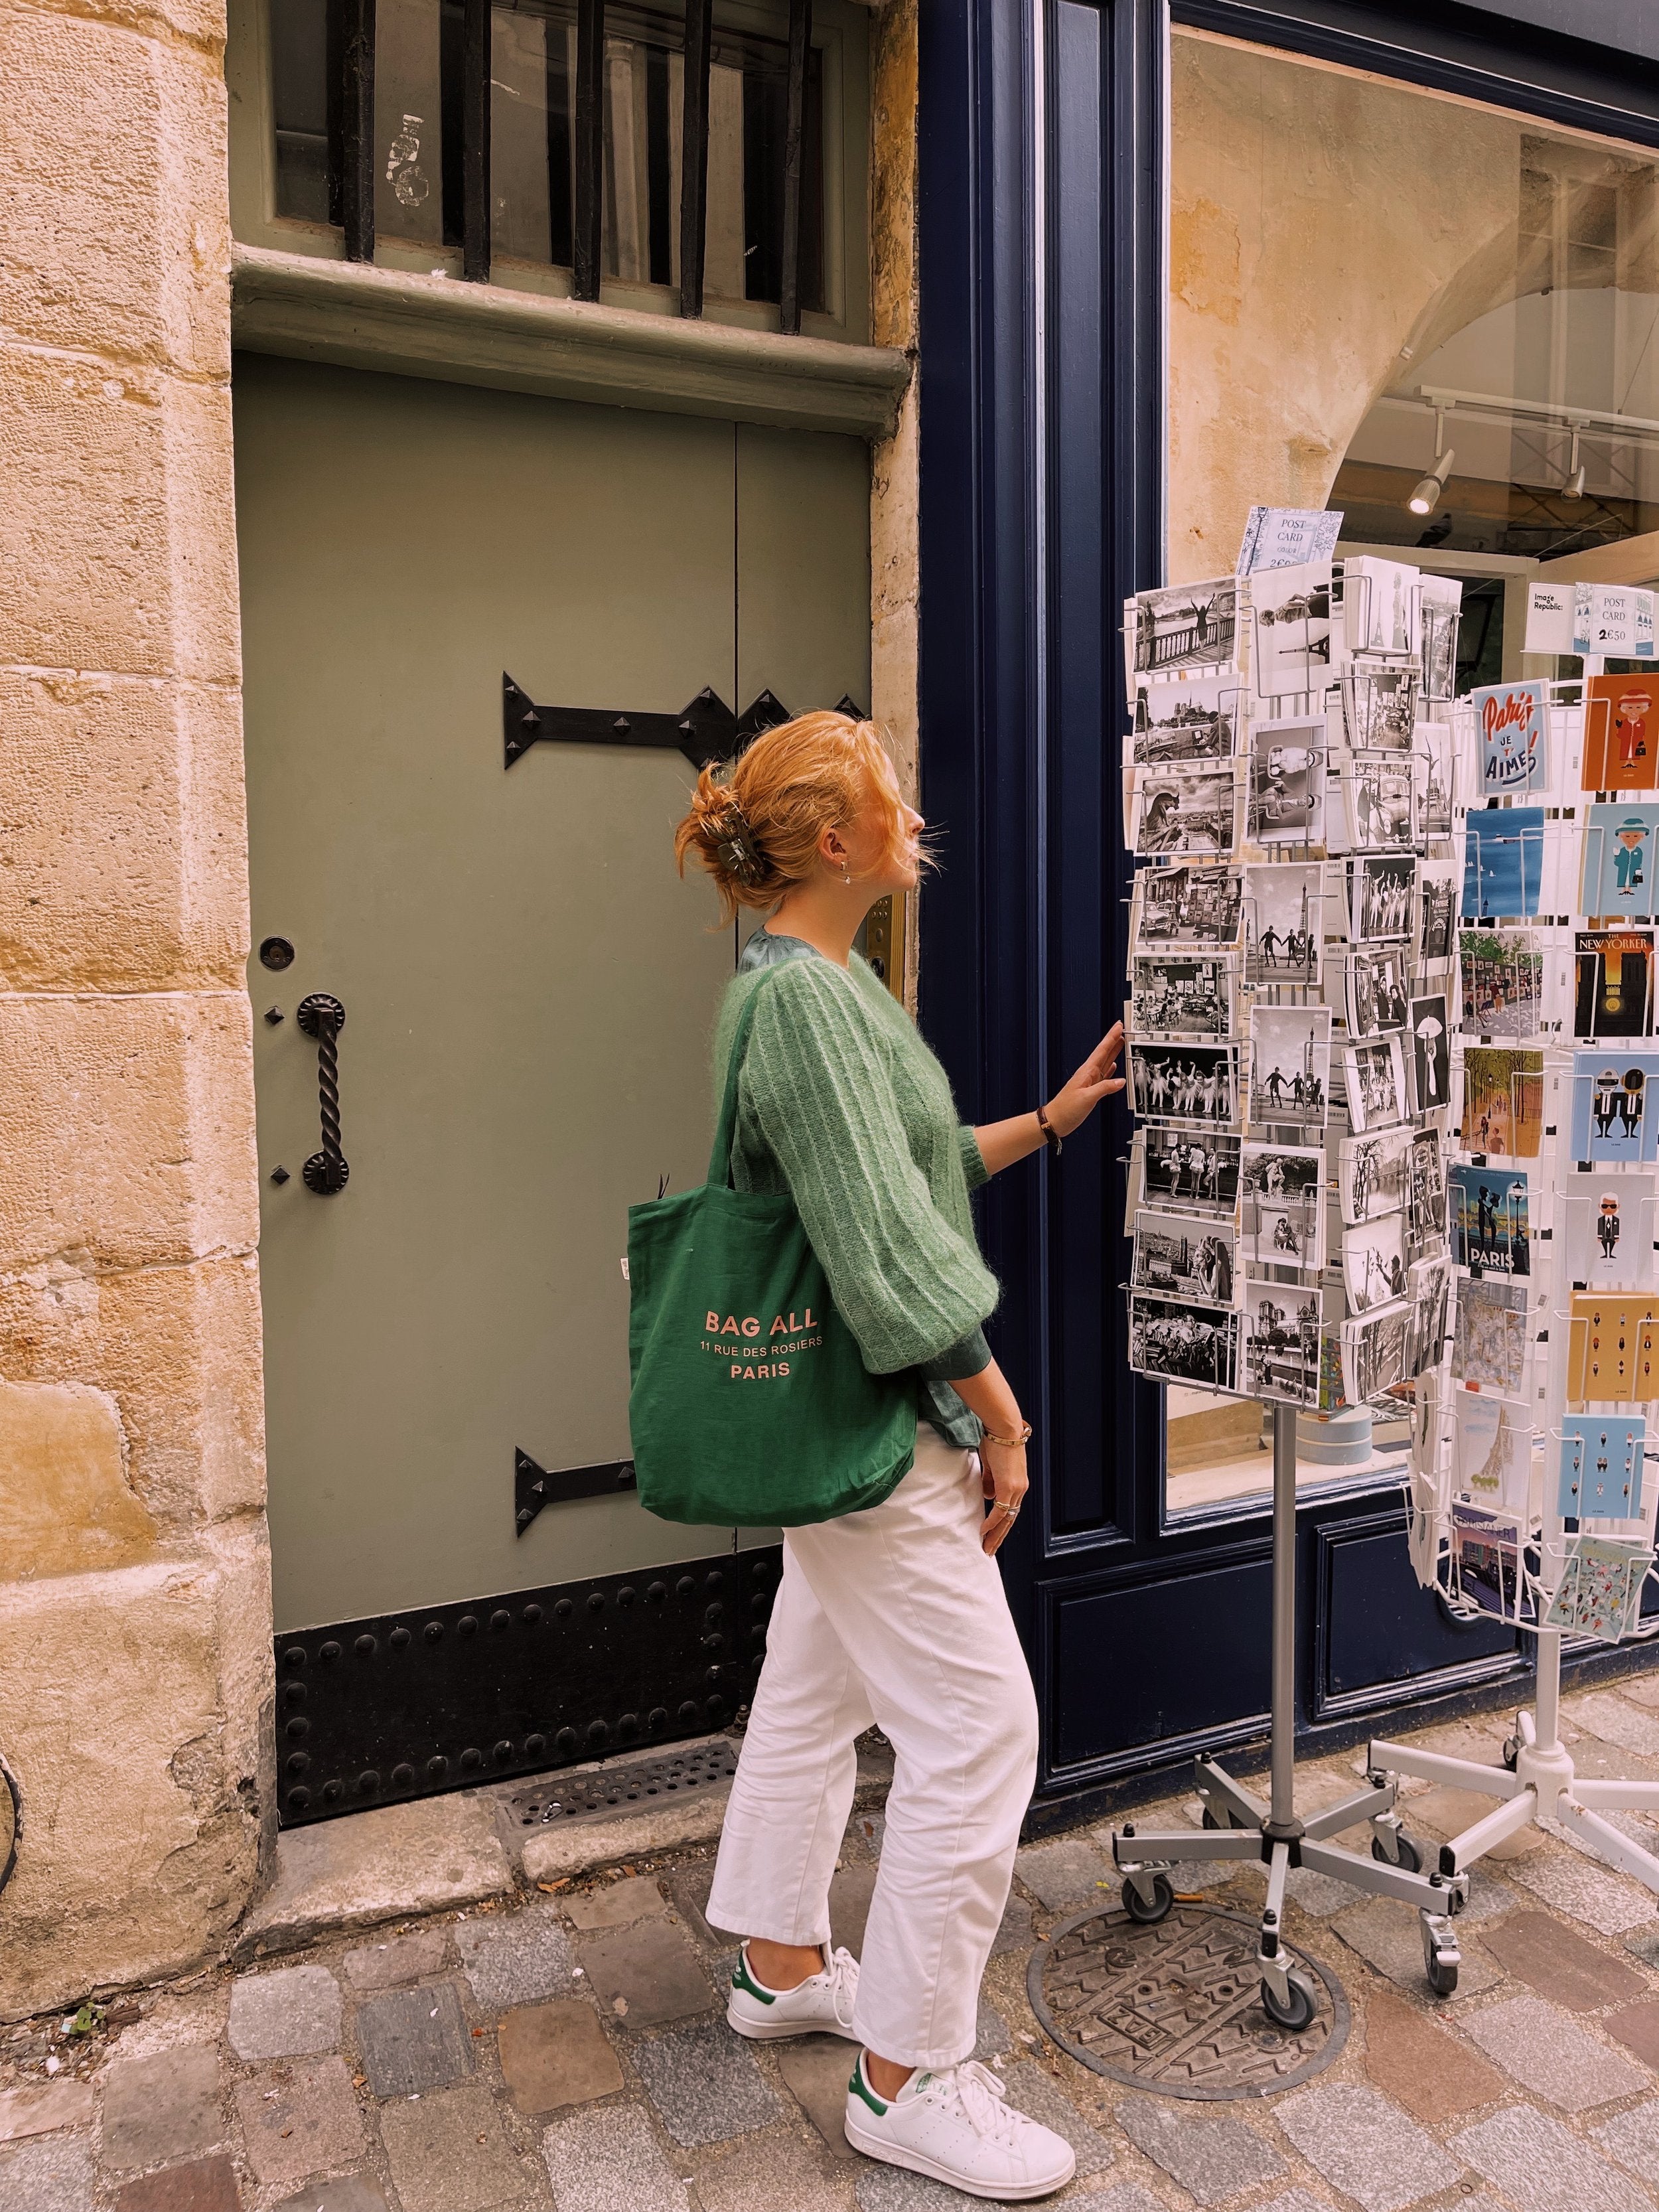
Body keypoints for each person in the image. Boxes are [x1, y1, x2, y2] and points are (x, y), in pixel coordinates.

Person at [674, 713, 1125, 2201]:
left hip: (838, 1424)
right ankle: (907, 2076)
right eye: (893, 801)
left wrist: (1048, 1120)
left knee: (813, 1687)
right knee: (981, 1732)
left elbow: (897, 1173)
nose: (914, 819)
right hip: (879, 1426)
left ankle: (778, 1962)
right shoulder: (805, 1003)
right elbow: (882, 1259)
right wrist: (1001, 1416)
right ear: (834, 840)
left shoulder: (816, 981)